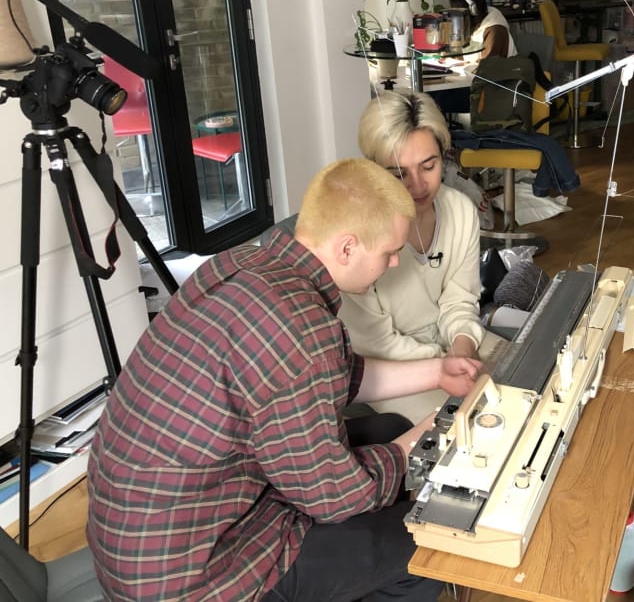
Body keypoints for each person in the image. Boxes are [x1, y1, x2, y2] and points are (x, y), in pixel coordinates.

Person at [86, 158, 482, 602]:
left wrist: (436, 372)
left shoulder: (244, 263)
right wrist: (424, 443)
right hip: (190, 579)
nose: (393, 263)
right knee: (426, 550)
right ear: (347, 248)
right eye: (389, 251)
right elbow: (335, 497)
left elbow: (329, 376)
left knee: (386, 428)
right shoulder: (300, 326)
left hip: (139, 535)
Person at [340, 92, 485, 388]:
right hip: (391, 371)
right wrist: (442, 364)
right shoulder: (359, 234)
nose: (417, 186)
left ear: (443, 155)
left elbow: (461, 300)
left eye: (429, 166)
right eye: (398, 174)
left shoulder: (461, 210)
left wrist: (461, 350)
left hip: (447, 354)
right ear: (374, 169)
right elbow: (376, 344)